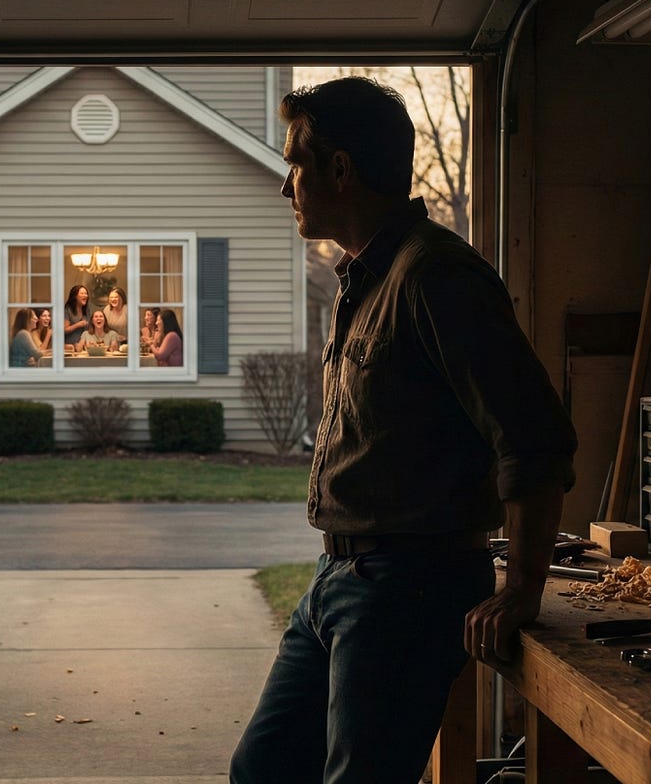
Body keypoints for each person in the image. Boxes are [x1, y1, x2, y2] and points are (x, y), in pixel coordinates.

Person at [229, 76, 577, 784]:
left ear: (340, 169)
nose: (284, 184)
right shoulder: (365, 280)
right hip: (338, 578)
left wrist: (523, 588)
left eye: (295, 162)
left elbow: (535, 437)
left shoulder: (437, 278)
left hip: (407, 591)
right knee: (261, 772)